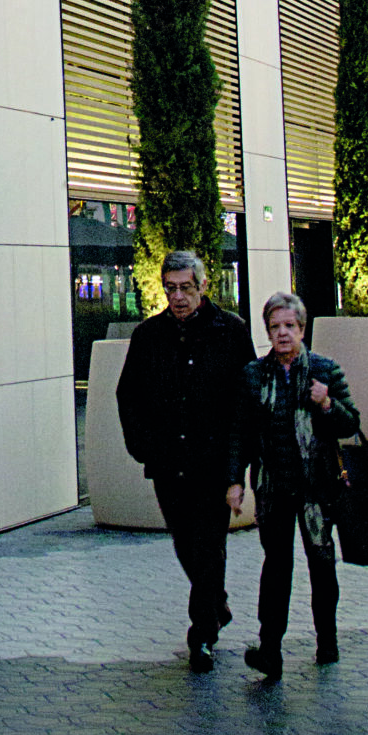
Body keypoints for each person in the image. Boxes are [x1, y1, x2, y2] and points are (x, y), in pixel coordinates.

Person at [116, 249, 256, 673]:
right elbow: (128, 395)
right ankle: (217, 604)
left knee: (208, 547)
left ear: (203, 286)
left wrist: (237, 470)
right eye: (171, 288)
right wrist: (144, 448)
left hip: (213, 464)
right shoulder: (149, 335)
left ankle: (202, 636)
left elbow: (245, 403)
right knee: (185, 545)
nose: (178, 297)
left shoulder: (231, 331)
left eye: (186, 288)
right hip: (168, 464)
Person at [226, 290, 360, 681]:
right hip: (273, 488)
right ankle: (270, 650)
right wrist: (235, 481)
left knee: (322, 564)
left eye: (289, 326)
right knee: (276, 567)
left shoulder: (324, 370)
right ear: (267, 331)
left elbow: (351, 424)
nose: (282, 333)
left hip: (317, 488)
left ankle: (327, 640)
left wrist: (327, 404)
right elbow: (240, 434)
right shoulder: (254, 375)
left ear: (302, 329)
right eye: (275, 327)